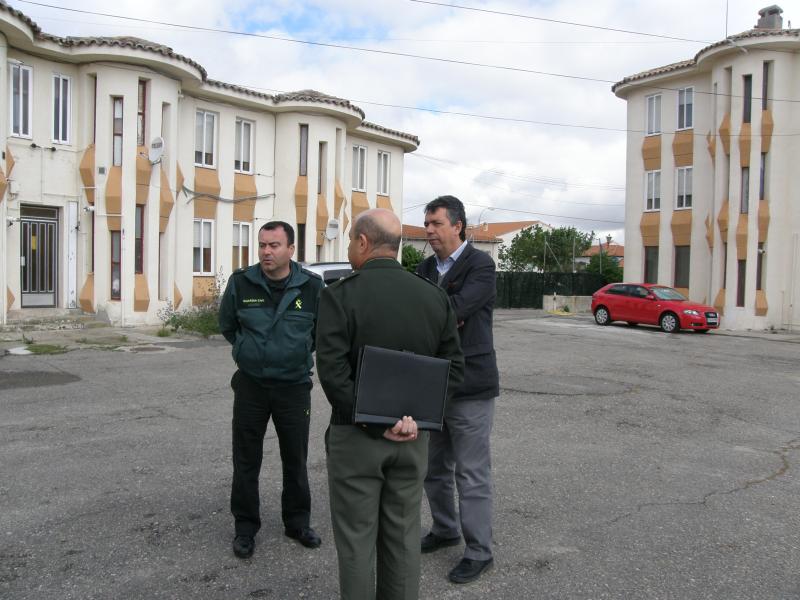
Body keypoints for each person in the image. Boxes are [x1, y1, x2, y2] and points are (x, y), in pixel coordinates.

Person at [316, 208, 465, 599]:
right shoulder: (433, 298)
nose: (349, 247)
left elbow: (332, 373)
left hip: (356, 441)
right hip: (413, 441)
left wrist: (373, 421)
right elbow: (454, 369)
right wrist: (418, 420)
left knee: (356, 542)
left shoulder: (339, 295)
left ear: (363, 242)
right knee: (402, 540)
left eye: (350, 239)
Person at [218, 221, 324, 559]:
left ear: (291, 250)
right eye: (262, 244)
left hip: (293, 387)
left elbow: (321, 332)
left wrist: (293, 353)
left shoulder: (312, 286)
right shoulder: (241, 282)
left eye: (274, 245)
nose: (266, 251)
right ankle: (245, 528)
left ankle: (297, 523)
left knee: (295, 458)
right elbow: (228, 326)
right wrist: (247, 352)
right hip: (251, 386)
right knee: (246, 460)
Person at [417, 195, 500, 584]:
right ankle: (445, 528)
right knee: (434, 469)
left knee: (471, 473)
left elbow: (454, 311)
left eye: (435, 223)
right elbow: (432, 314)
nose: (428, 230)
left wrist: (438, 315)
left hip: (470, 386)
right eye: (427, 223)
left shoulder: (481, 265)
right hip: (432, 384)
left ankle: (479, 551)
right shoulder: (422, 267)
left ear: (458, 225)